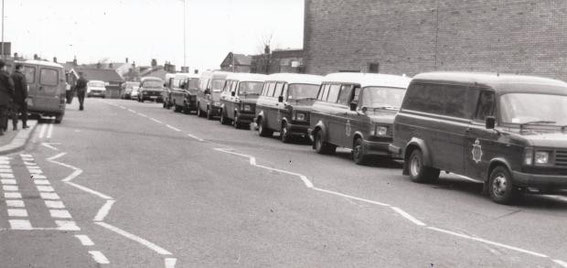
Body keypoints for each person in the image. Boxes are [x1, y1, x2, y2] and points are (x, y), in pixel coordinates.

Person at [11, 63, 29, 130]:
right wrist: (26, 96)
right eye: (23, 68)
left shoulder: (11, 75)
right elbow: (24, 87)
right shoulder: (21, 76)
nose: (23, 69)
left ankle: (14, 126)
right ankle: (24, 124)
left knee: (14, 112)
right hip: (22, 97)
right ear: (20, 68)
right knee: (24, 111)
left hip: (14, 97)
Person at [0, 60, 15, 136]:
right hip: (4, 98)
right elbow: (11, 86)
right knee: (3, 114)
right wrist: (12, 95)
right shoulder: (6, 75)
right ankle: (1, 130)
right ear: (3, 67)